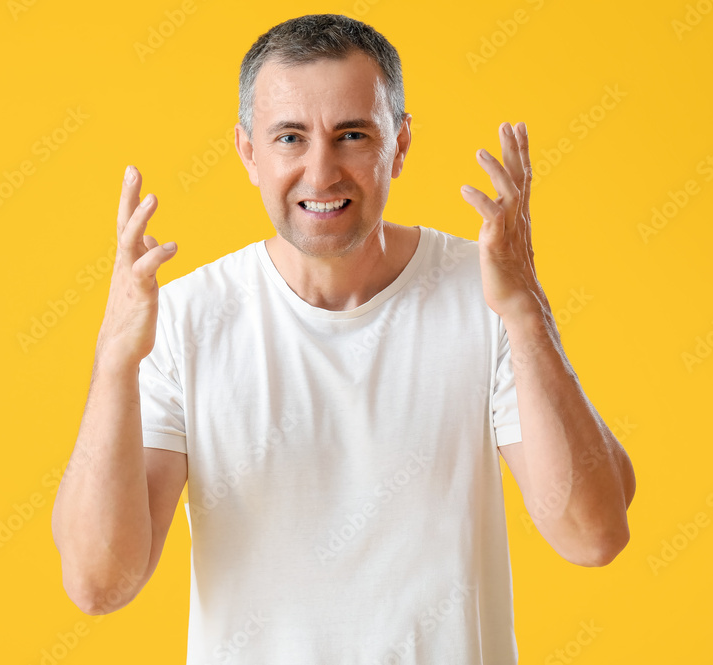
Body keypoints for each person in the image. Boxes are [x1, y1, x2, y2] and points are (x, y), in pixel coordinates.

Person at [51, 13, 635, 664]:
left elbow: (592, 533)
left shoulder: (485, 295)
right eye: (290, 137)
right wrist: (113, 365)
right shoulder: (184, 317)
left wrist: (528, 313)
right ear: (248, 151)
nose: (321, 171)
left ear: (401, 143)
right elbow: (99, 582)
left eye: (352, 134)